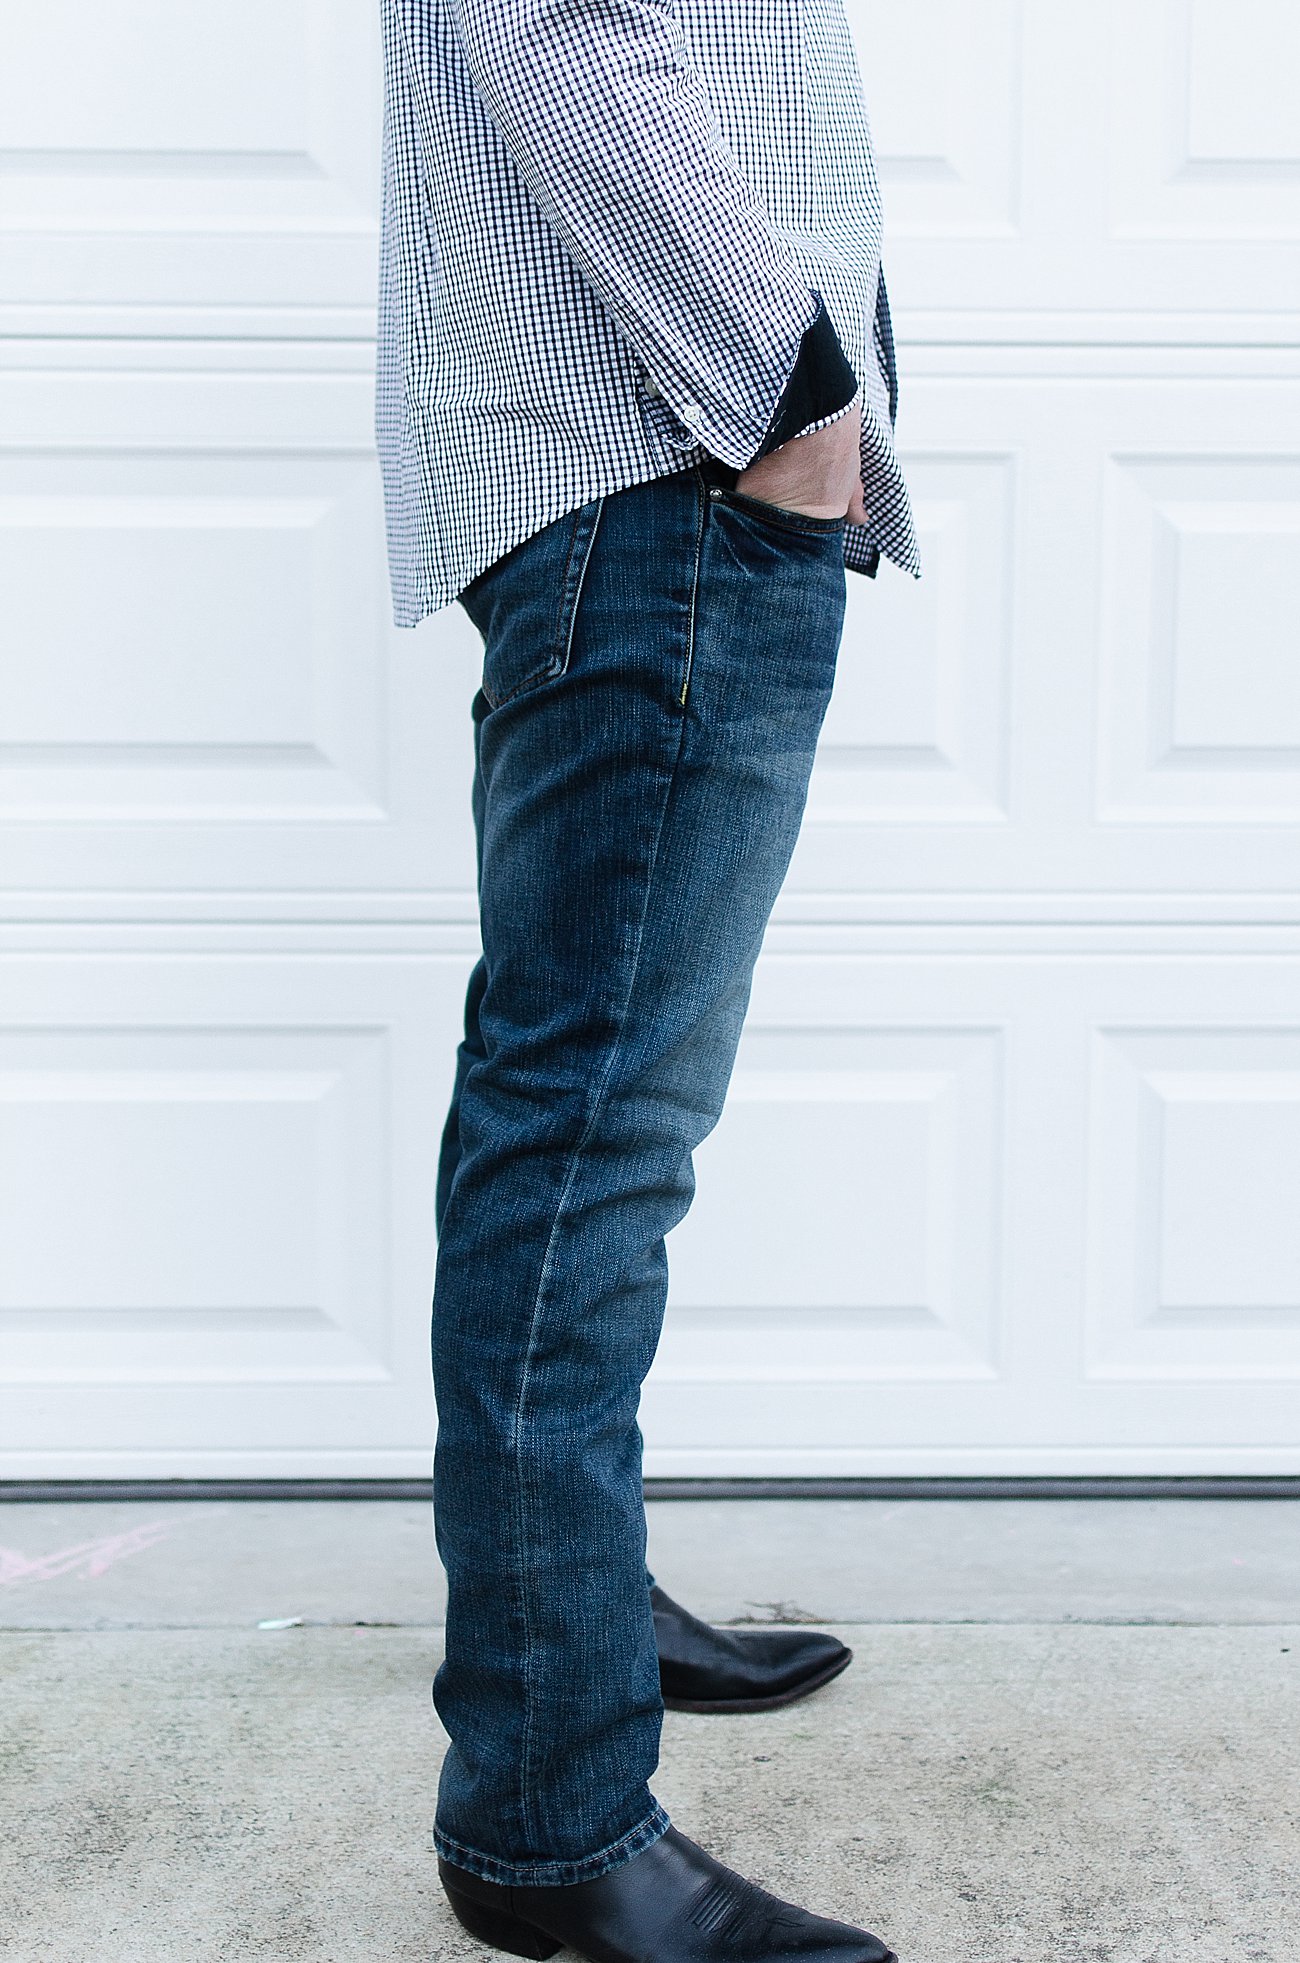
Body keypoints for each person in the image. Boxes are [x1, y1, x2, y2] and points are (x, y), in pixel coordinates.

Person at [375, 2, 921, 1957]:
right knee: (585, 1146)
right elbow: (559, 29)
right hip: (669, 473)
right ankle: (547, 1816)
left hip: (642, 478)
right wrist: (792, 401)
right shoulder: (723, 443)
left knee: (574, 1121)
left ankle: (570, 1623)